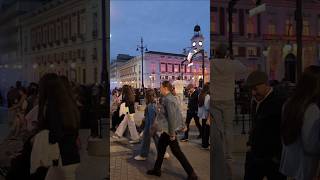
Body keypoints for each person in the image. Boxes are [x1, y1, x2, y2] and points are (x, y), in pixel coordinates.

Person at [210, 43, 248, 179]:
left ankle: (219, 155)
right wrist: (231, 58)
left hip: (215, 100)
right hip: (228, 99)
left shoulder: (211, 63)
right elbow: (244, 69)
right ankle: (229, 157)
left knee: (218, 128)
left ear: (215, 52)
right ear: (226, 53)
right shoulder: (232, 64)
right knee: (229, 128)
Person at [147, 81, 198, 180]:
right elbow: (177, 113)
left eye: (161, 87)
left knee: (177, 152)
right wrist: (182, 125)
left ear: (165, 88)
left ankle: (191, 173)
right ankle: (157, 169)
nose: (159, 89)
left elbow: (171, 117)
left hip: (169, 130)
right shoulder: (169, 98)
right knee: (161, 148)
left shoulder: (168, 100)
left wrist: (171, 133)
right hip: (168, 130)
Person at [36, 73, 80, 180]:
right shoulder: (68, 105)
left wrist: (39, 138)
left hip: (59, 158)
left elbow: (55, 135)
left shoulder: (52, 107)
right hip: (71, 156)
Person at [244, 71, 286, 180]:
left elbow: (284, 129)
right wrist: (250, 144)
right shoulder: (256, 101)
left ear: (265, 84)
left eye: (255, 88)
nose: (253, 93)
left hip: (272, 157)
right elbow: (256, 125)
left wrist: (278, 155)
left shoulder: (278, 101)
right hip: (255, 154)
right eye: (251, 89)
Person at [280, 65, 320, 180]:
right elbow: (311, 146)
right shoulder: (312, 109)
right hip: (305, 167)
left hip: (291, 165)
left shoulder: (288, 104)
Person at [134, 89, 169, 161]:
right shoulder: (154, 103)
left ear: (147, 96)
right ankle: (163, 153)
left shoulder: (150, 105)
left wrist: (151, 128)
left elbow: (152, 118)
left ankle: (143, 155)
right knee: (157, 140)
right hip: (151, 125)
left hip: (149, 126)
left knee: (146, 140)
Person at [198, 82, 210, 149]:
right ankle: (205, 144)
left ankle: (203, 143)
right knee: (207, 131)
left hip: (202, 115)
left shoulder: (200, 94)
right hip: (206, 115)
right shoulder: (207, 96)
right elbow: (207, 107)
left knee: (204, 130)